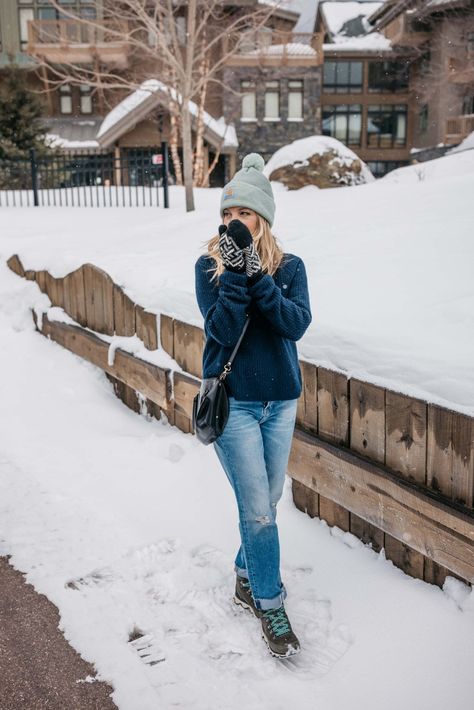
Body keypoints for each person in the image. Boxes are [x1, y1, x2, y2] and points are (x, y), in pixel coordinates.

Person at [194, 153, 312, 658]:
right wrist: (237, 274)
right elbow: (221, 330)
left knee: (269, 498)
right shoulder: (209, 266)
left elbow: (294, 324)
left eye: (240, 214)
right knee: (260, 515)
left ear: (260, 218)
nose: (230, 223)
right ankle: (270, 603)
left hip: (280, 402)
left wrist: (259, 275)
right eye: (225, 215)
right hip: (235, 406)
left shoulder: (290, 268)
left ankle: (245, 574)